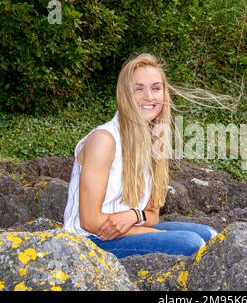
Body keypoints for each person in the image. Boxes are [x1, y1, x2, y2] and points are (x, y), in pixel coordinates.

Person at [63, 53, 232, 259]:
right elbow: (89, 221)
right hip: (90, 240)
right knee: (191, 243)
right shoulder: (104, 140)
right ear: (125, 94)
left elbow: (152, 216)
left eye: (155, 88)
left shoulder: (153, 142)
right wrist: (155, 234)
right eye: (138, 89)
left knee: (210, 235)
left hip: (126, 229)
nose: (149, 97)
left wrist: (134, 215)